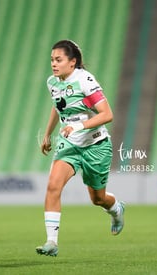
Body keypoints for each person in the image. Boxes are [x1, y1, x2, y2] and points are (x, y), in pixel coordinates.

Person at [36, 40, 125, 257]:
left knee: (97, 199)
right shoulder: (53, 82)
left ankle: (116, 210)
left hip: (96, 145)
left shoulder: (85, 81)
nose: (54, 64)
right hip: (70, 145)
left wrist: (78, 125)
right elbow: (58, 106)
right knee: (53, 186)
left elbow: (107, 114)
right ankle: (51, 242)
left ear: (72, 62)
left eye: (59, 60)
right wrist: (48, 133)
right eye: (52, 60)